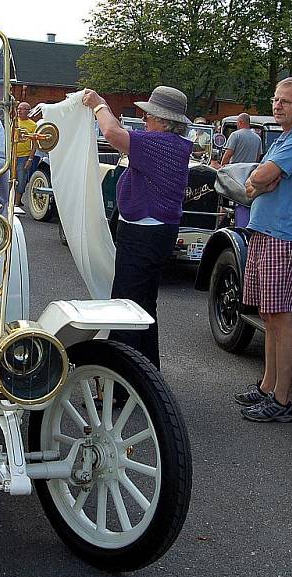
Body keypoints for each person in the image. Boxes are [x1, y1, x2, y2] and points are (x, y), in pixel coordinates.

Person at [82, 85, 193, 371]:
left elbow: (112, 134)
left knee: (126, 307)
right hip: (153, 232)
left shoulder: (162, 144)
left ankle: (122, 380)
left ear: (164, 122)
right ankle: (147, 372)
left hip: (144, 235)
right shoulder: (170, 145)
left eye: (149, 116)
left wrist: (98, 105)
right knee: (143, 305)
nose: (144, 120)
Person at [235, 77, 292, 423]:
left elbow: (261, 176)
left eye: (285, 101)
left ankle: (281, 401)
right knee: (269, 316)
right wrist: (261, 180)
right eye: (275, 100)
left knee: (282, 318)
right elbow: (258, 179)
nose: (277, 106)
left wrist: (261, 180)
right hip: (266, 233)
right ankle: (267, 388)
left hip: (284, 238)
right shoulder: (284, 138)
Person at [14, 101, 37, 207]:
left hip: (24, 156)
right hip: (11, 155)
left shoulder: (33, 125)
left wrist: (30, 159)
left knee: (22, 179)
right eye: (18, 108)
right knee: (9, 179)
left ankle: (17, 202)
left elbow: (35, 144)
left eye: (22, 109)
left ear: (28, 111)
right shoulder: (12, 122)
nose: (19, 110)